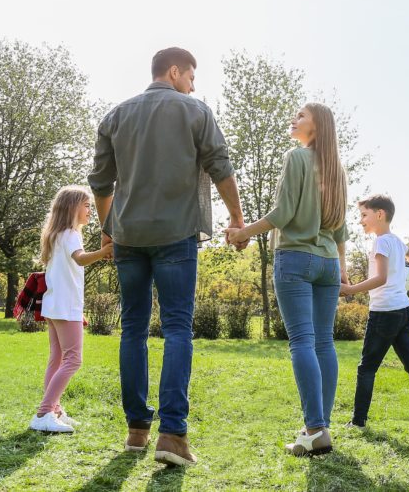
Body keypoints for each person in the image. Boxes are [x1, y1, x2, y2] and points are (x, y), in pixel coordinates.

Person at [89, 47, 247, 465]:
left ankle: (137, 430)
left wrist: (110, 230)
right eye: (191, 77)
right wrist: (237, 217)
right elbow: (220, 166)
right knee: (178, 329)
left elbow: (101, 184)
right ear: (174, 72)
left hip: (127, 239)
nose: (194, 85)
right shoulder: (196, 111)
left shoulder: (116, 115)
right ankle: (173, 435)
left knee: (133, 331)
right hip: (176, 235)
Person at [226, 103, 347, 457]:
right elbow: (340, 228)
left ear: (317, 127)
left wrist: (242, 232)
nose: (293, 119)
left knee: (303, 342)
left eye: (301, 117)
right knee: (324, 342)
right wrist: (341, 267)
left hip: (295, 257)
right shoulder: (337, 169)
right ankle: (319, 427)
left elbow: (282, 214)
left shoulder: (296, 157)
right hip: (327, 262)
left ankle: (314, 428)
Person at [340, 194, 409, 433]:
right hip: (403, 310)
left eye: (364, 215)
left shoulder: (381, 242)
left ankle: (358, 422)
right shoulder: (396, 242)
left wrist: (350, 289)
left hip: (384, 313)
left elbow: (381, 278)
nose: (361, 220)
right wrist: (402, 272)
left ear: (380, 214)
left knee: (367, 368)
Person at [29, 186, 112, 434]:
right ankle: (44, 413)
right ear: (72, 207)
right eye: (86, 206)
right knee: (73, 360)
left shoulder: (56, 235)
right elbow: (80, 258)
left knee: (56, 360)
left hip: (56, 306)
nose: (90, 211)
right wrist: (104, 252)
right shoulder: (71, 234)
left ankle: (54, 410)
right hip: (65, 308)